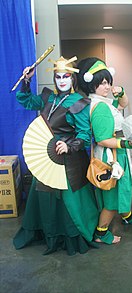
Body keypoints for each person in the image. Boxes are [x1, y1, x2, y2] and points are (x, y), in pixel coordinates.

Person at [13, 56, 99, 255]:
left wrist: (69, 146)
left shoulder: (79, 101)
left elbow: (85, 134)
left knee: (69, 199)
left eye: (66, 76)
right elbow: (25, 100)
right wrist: (26, 80)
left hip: (69, 157)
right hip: (47, 157)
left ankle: (71, 235)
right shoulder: (48, 98)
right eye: (58, 76)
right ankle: (48, 234)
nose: (62, 80)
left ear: (73, 79)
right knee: (44, 194)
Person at [77, 57, 132, 244]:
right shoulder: (100, 108)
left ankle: (128, 215)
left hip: (114, 154)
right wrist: (127, 144)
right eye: (102, 83)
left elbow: (123, 104)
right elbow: (102, 139)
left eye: (108, 82)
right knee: (112, 198)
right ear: (92, 84)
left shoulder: (102, 102)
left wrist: (121, 92)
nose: (107, 87)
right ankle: (101, 233)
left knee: (122, 189)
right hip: (110, 157)